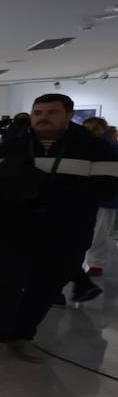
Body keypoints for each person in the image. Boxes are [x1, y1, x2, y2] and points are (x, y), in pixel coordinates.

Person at [0, 94, 118, 363]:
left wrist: (49, 189)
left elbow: (107, 187)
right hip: (15, 226)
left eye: (51, 112)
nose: (42, 118)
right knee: (4, 283)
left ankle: (21, 335)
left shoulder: (94, 147)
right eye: (38, 112)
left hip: (67, 230)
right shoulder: (15, 141)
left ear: (68, 116)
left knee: (46, 288)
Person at [80, 116, 118, 278]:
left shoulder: (111, 148)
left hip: (106, 200)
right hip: (83, 197)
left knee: (100, 234)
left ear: (103, 130)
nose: (91, 133)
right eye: (87, 129)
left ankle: (95, 264)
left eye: (95, 129)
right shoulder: (80, 147)